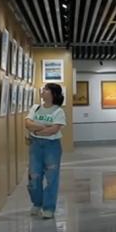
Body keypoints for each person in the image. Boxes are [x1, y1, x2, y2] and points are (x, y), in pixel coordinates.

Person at [25, 82, 66, 219]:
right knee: (34, 176)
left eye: (46, 89)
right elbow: (27, 123)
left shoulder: (58, 111)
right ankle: (37, 203)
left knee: (51, 178)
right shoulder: (35, 108)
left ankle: (49, 208)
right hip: (35, 145)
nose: (43, 91)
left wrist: (36, 129)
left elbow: (54, 130)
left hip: (52, 146)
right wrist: (43, 127)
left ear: (53, 94)